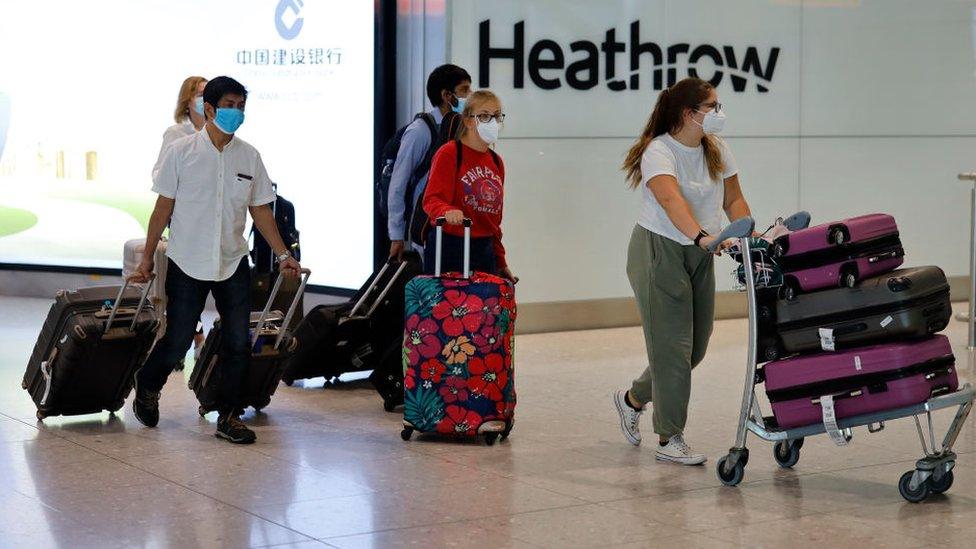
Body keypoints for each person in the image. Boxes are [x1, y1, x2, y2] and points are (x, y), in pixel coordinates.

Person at [129, 76, 301, 444]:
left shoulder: (249, 156)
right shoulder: (181, 152)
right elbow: (161, 211)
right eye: (230, 105)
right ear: (208, 108)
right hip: (187, 260)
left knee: (238, 342)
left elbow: (261, 212)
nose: (237, 112)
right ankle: (147, 384)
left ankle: (229, 415)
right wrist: (146, 260)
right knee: (176, 340)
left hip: (232, 260)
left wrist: (284, 254)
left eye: (241, 106)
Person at [613, 77, 753, 465]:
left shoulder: (716, 149)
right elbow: (671, 201)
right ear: (689, 114)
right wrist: (702, 237)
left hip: (700, 251)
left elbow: (734, 199)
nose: (719, 114)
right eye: (713, 107)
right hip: (659, 251)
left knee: (695, 347)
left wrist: (751, 233)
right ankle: (669, 438)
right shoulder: (659, 151)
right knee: (673, 351)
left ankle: (632, 399)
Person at [421, 89, 515, 283]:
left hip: (484, 248)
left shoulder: (496, 162)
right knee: (448, 310)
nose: (493, 122)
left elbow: (494, 221)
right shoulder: (450, 153)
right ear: (469, 121)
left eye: (497, 116)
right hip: (450, 245)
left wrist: (500, 260)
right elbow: (431, 199)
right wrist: (447, 210)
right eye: (484, 116)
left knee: (484, 310)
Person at [388, 64, 471, 261]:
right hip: (426, 229)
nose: (470, 95)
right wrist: (397, 235)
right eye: (464, 90)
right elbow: (398, 184)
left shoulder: (463, 130)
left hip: (456, 227)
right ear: (446, 95)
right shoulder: (420, 131)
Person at [154, 75, 209, 364]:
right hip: (184, 220)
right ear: (186, 101)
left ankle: (194, 338)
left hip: (212, 221)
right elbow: (160, 176)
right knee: (187, 282)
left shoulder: (220, 134)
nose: (204, 99)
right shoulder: (176, 134)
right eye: (199, 94)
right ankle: (191, 338)